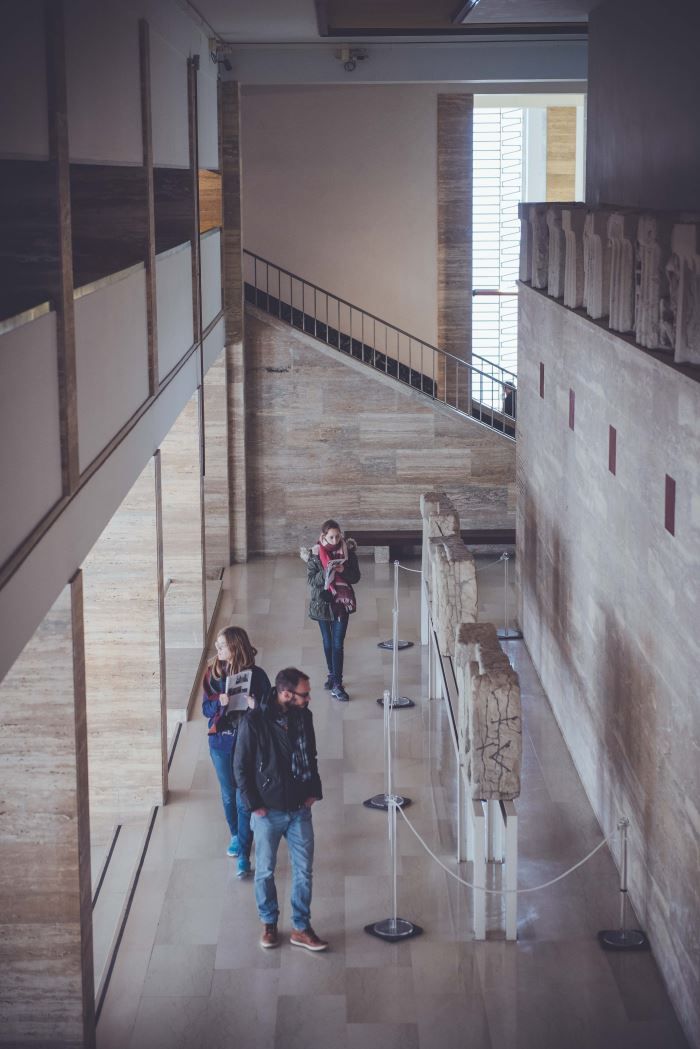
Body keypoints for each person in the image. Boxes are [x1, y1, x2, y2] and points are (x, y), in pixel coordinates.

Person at [234, 667, 327, 951]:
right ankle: (269, 923)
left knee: (304, 871)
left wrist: (314, 790)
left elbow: (310, 754)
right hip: (268, 811)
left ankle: (301, 927)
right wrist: (254, 805)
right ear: (286, 694)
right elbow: (240, 767)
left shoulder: (303, 716)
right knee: (264, 871)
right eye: (304, 694)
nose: (308, 698)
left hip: (299, 808)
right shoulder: (254, 722)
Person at [201, 626, 271, 877]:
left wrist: (255, 705)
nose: (217, 650)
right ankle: (235, 835)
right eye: (217, 646)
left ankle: (243, 850)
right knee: (228, 793)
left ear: (235, 647)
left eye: (222, 646)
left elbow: (270, 710)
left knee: (244, 796)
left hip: (247, 743)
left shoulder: (258, 676)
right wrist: (218, 703)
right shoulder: (212, 674)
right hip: (221, 743)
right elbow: (205, 710)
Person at [301, 518, 360, 702]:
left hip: (342, 603)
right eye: (331, 537)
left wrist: (341, 570)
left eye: (337, 536)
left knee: (337, 644)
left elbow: (356, 577)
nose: (335, 541)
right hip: (322, 604)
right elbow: (311, 580)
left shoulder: (348, 552)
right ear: (323, 536)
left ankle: (337, 683)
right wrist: (325, 572)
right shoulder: (315, 554)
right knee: (327, 643)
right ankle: (331, 673)